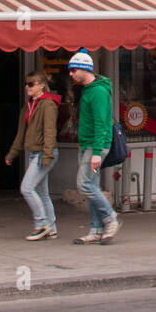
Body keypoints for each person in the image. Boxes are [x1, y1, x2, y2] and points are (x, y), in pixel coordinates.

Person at [68, 48, 120, 244]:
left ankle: (111, 218)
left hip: (94, 146)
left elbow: (101, 123)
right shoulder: (89, 89)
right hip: (88, 145)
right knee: (92, 185)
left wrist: (97, 153)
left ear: (84, 69)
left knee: (84, 184)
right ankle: (96, 229)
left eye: (74, 70)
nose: (71, 74)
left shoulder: (97, 91)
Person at [5, 70, 61, 240]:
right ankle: (51, 227)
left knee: (27, 188)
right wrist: (12, 154)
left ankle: (41, 223)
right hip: (34, 153)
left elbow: (50, 131)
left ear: (42, 85)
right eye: (26, 84)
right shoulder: (28, 105)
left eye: (31, 84)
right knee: (42, 193)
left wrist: (47, 155)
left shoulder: (48, 104)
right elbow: (21, 133)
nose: (27, 87)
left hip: (43, 153)